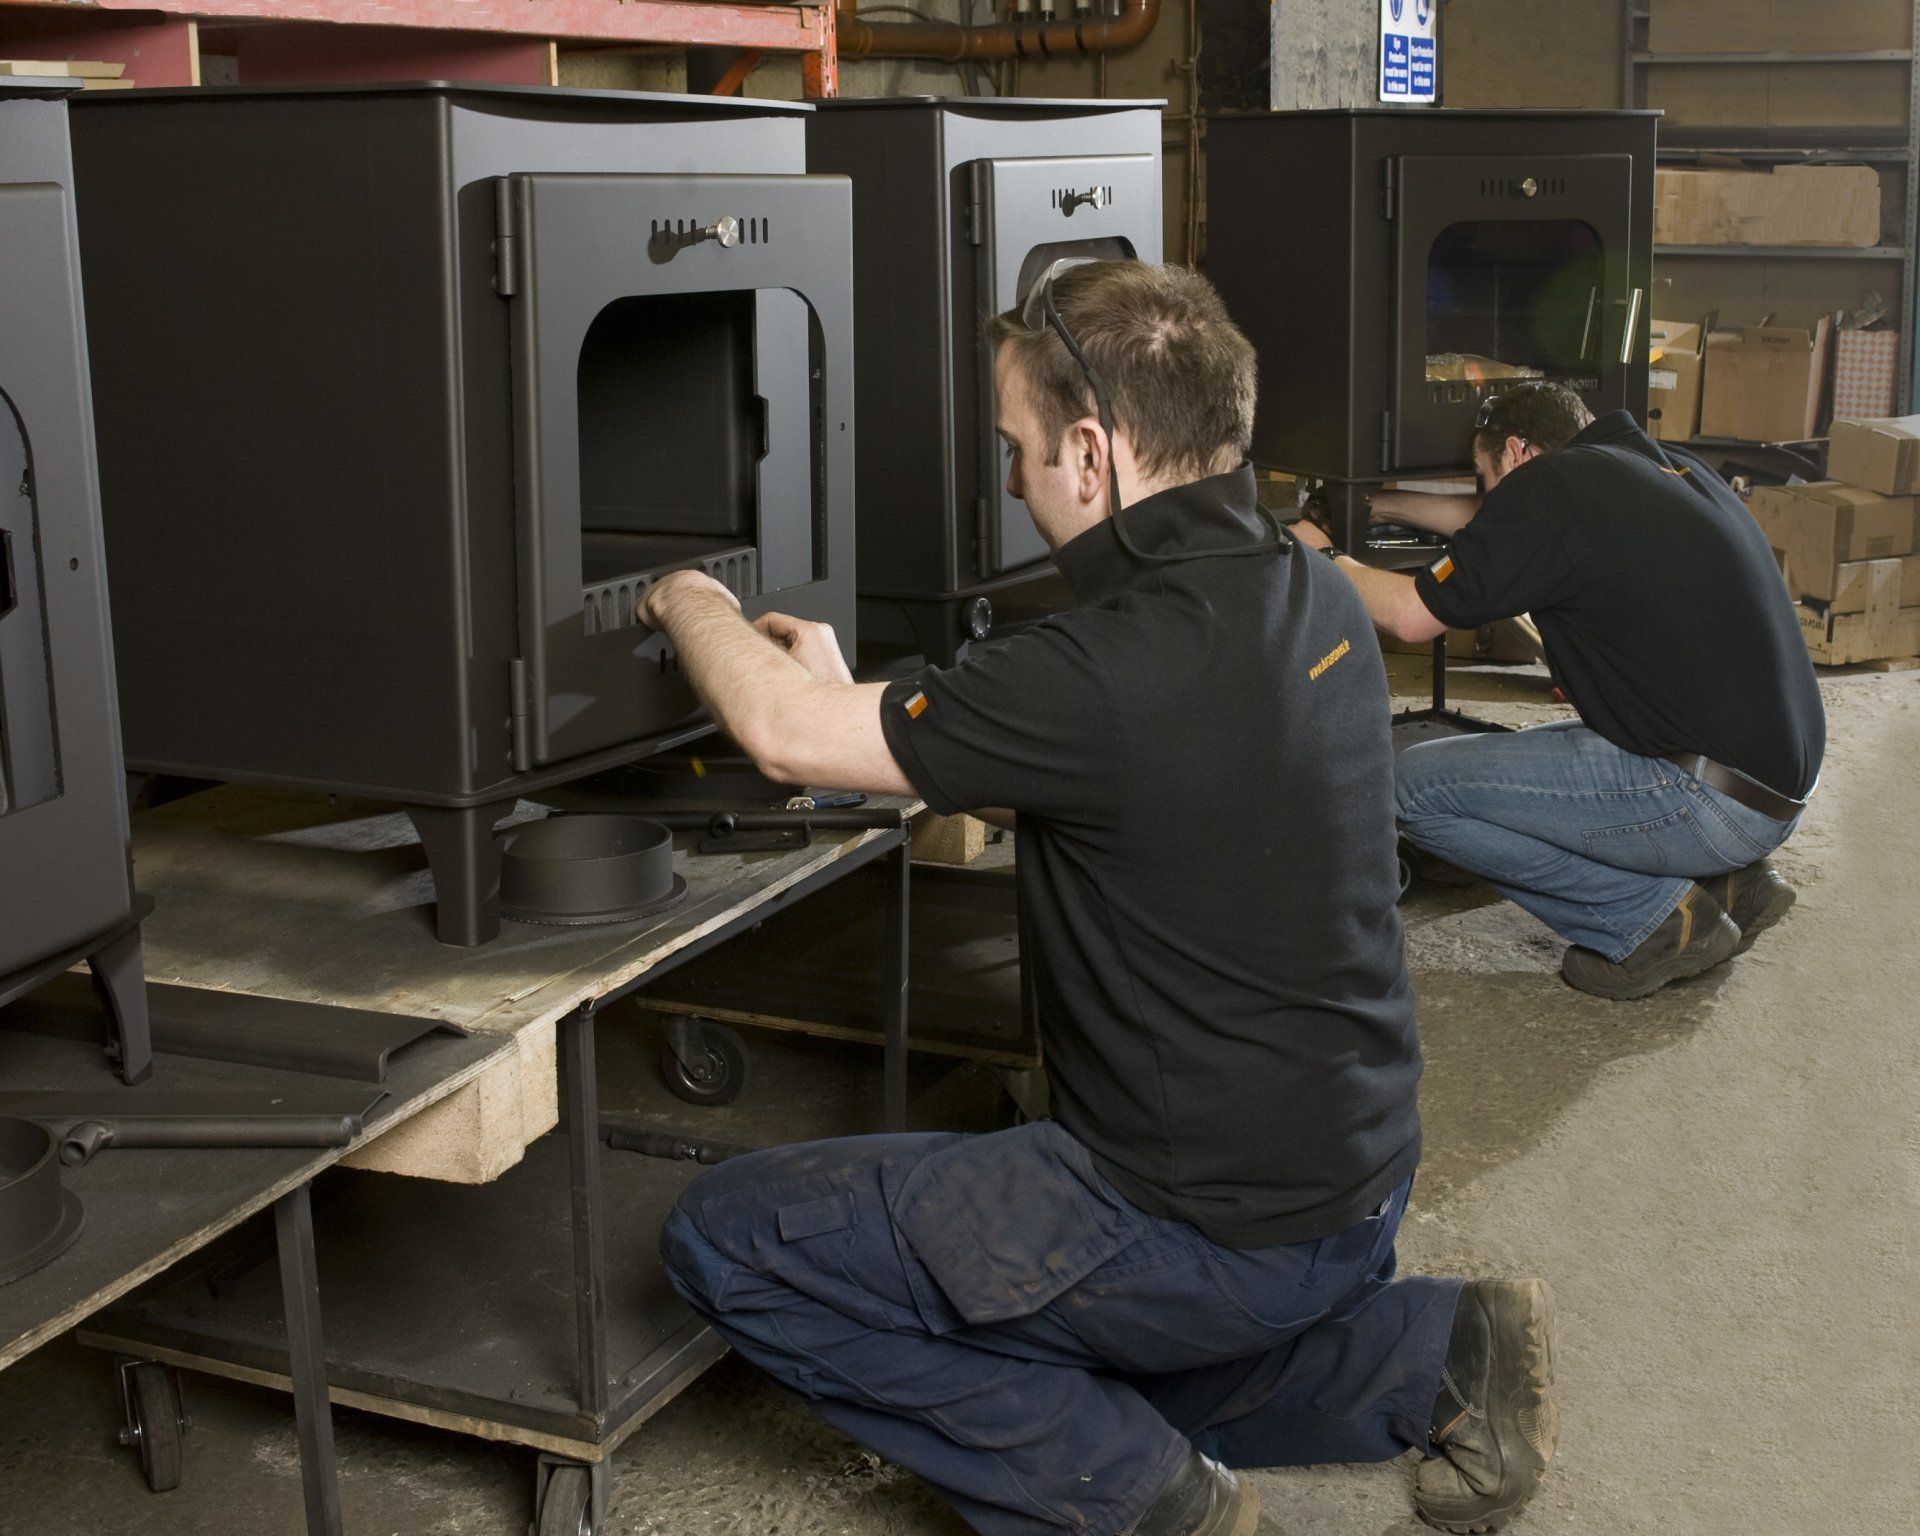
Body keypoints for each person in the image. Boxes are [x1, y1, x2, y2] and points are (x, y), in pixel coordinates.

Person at [640, 260, 1556, 1536]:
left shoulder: (1108, 666)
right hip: (1350, 1181)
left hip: (1199, 1222)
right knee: (1106, 1366)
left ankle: (1137, 1504)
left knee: (727, 1239)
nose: (1011, 481)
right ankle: (1435, 1352)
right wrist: (892, 717)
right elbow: (1124, 782)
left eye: (1016, 449)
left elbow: (784, 735)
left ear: (1089, 451)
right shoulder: (1302, 590)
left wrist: (687, 592)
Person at [1292, 381, 1825, 1000]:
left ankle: (1651, 923)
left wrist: (1321, 554)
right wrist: (1383, 504)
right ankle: (1728, 884)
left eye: (1483, 474)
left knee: (1412, 787)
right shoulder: (1658, 468)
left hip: (1702, 797)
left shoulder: (1554, 491)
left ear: (1518, 452)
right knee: (1542, 754)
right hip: (1773, 788)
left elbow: (1412, 616)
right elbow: (1504, 527)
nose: (1484, 492)